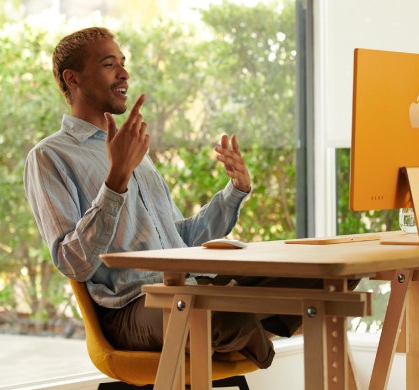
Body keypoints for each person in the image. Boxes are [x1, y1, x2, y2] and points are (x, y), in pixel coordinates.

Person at [24, 26, 311, 369]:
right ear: (74, 79)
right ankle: (243, 322)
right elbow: (73, 261)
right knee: (213, 315)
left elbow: (181, 241)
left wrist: (234, 192)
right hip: (131, 307)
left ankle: (241, 320)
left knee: (317, 280)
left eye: (123, 63)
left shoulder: (134, 150)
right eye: (109, 64)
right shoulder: (49, 156)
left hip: (185, 284)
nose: (124, 73)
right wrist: (116, 182)